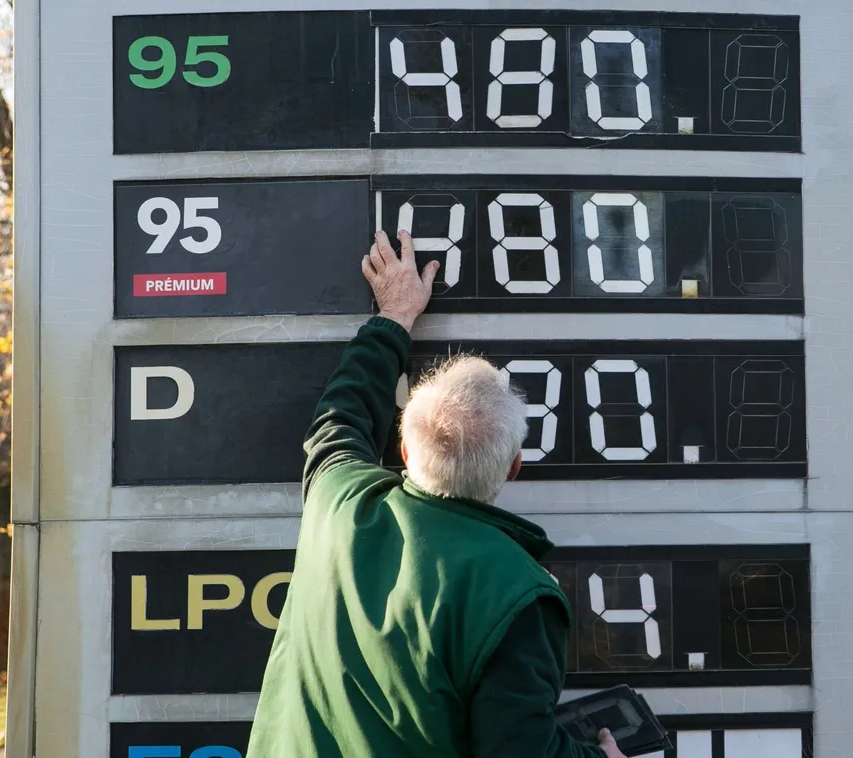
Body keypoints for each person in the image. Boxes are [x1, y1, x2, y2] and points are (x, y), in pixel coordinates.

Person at [247, 230, 626, 758]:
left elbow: (340, 419)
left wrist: (394, 317)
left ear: (402, 450)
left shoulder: (339, 504)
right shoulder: (518, 595)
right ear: (513, 467)